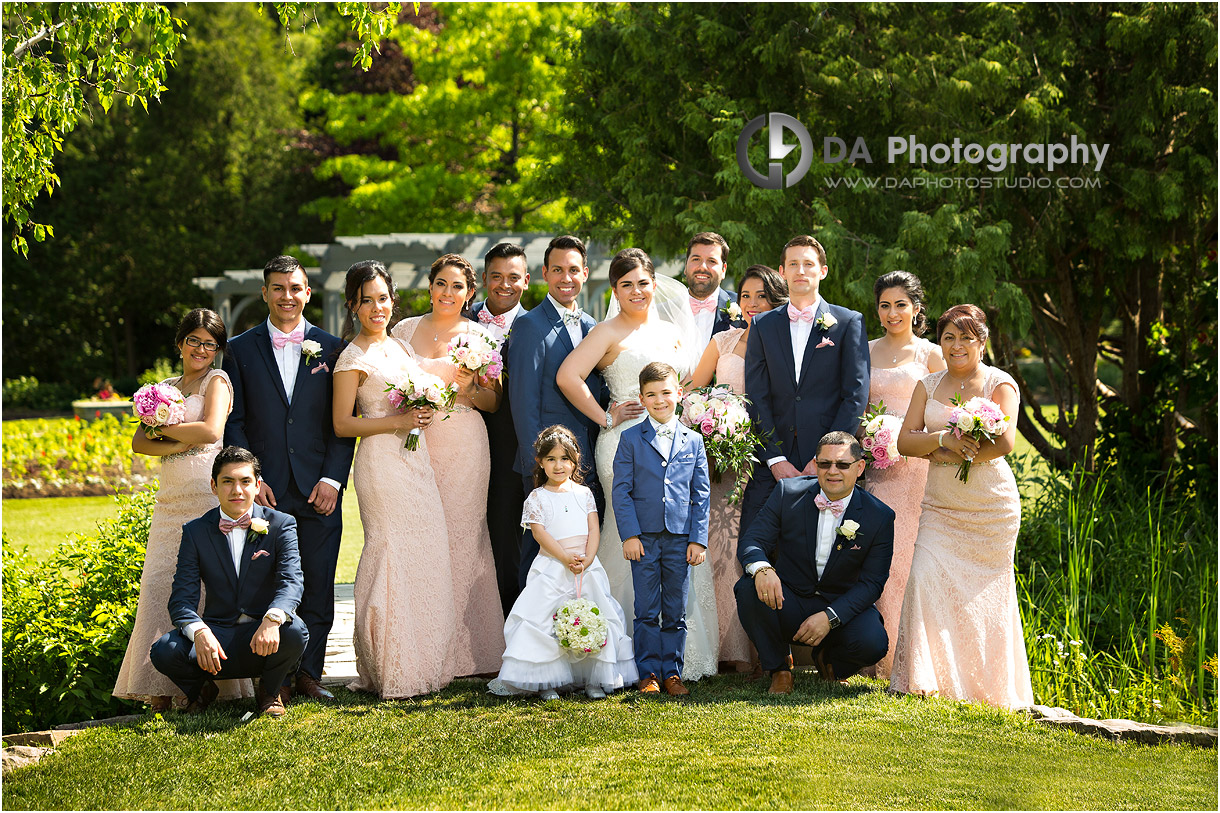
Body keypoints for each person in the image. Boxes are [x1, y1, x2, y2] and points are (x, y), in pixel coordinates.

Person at [556, 248, 720, 682]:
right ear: (614, 289)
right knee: (625, 533)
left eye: (642, 282)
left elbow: (685, 383)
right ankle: (624, 651)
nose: (636, 291)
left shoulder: (671, 330)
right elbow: (568, 375)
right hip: (624, 444)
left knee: (676, 528)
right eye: (625, 284)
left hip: (676, 446)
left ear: (654, 284)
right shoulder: (606, 332)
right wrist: (605, 416)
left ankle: (681, 656)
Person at [222, 255, 355, 702]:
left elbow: (341, 423)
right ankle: (274, 678)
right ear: (264, 293)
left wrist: (333, 481)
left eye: (295, 288)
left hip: (318, 488)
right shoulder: (240, 349)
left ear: (307, 293)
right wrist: (252, 478)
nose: (287, 296)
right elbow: (235, 421)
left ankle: (310, 675)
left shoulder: (332, 348)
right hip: (268, 491)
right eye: (278, 288)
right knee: (263, 583)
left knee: (319, 582)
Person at [890, 305, 1033, 708]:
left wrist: (952, 453)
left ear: (982, 342)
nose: (957, 346)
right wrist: (942, 441)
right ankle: (922, 679)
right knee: (924, 578)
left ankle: (984, 690)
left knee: (985, 597)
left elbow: (1004, 443)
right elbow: (905, 442)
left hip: (990, 509)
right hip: (941, 508)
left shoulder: (1000, 384)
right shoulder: (927, 385)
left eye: (966, 338)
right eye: (949, 337)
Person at [114, 309, 254, 710]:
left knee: (205, 591)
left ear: (217, 350)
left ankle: (211, 685)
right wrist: (175, 443)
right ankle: (160, 688)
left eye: (209, 344)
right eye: (193, 340)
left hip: (205, 496)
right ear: (180, 343)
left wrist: (164, 429)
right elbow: (140, 442)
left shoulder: (218, 381)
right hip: (169, 503)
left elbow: (211, 431)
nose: (201, 349)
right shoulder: (164, 388)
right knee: (157, 589)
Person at [332, 260, 460, 698]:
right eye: (366, 300)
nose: (376, 307)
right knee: (389, 551)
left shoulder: (402, 349)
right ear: (353, 305)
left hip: (415, 458)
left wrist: (421, 414)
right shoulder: (352, 358)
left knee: (423, 552)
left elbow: (414, 405)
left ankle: (423, 657)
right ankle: (386, 662)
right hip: (381, 465)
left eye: (383, 298)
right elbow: (342, 425)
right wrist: (398, 421)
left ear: (392, 301)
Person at [392, 253, 506, 676]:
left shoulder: (481, 335)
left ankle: (468, 653)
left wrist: (469, 389)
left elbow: (494, 402)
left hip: (464, 442)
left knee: (464, 538)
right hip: (417, 441)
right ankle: (424, 642)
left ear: (470, 292)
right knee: (421, 535)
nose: (448, 292)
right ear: (430, 286)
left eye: (457, 286)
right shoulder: (404, 330)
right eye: (441, 283)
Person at [148, 446, 308, 718]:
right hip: (217, 637)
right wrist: (199, 632)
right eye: (228, 481)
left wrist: (272, 619)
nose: (237, 490)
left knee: (295, 632)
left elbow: (291, 581)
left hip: (262, 634)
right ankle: (201, 690)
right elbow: (181, 599)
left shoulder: (281, 524)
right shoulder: (196, 531)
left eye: (245, 481)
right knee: (164, 650)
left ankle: (269, 693)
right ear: (213, 486)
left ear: (258, 486)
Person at [736, 431, 894, 694]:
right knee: (748, 589)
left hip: (840, 603)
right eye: (825, 464)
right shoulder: (788, 492)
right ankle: (779, 668)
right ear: (816, 464)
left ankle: (830, 661)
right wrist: (762, 568)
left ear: (860, 467)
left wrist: (830, 617)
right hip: (790, 598)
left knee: (873, 642)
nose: (833, 471)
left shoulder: (880, 517)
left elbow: (872, 583)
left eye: (842, 464)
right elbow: (753, 540)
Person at [688, 264, 788, 669]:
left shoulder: (785, 345)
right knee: (720, 547)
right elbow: (693, 391)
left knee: (761, 547)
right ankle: (719, 649)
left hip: (768, 461)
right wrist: (709, 425)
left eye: (761, 296)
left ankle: (761, 648)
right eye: (745, 296)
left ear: (776, 299)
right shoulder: (722, 342)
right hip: (722, 462)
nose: (751, 304)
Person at [491, 425, 636, 700]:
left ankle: (592, 679)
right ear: (540, 462)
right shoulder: (537, 497)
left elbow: (594, 528)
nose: (559, 465)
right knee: (546, 621)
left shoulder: (584, 494)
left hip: (586, 567)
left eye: (565, 459)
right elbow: (540, 533)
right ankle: (547, 681)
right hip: (554, 566)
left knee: (594, 617)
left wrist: (589, 558)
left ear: (575, 460)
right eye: (551, 459)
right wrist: (564, 557)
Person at [740, 235, 870, 540]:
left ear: (822, 271)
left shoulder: (848, 322)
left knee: (828, 556)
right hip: (773, 462)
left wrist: (826, 458)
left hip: (830, 467)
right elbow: (756, 394)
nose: (801, 270)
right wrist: (774, 459)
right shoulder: (763, 325)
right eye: (793, 264)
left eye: (808, 264)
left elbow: (855, 394)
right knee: (754, 549)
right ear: (782, 271)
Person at [506, 235, 609, 586]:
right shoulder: (529, 325)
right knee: (540, 555)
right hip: (546, 463)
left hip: (588, 461)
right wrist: (539, 463)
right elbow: (522, 401)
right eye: (558, 270)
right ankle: (527, 633)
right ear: (545, 274)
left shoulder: (594, 326)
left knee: (581, 547)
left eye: (574, 270)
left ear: (585, 273)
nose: (567, 277)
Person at [863, 271, 945, 678]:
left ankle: (913, 659)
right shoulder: (865, 349)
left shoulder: (930, 354)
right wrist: (870, 434)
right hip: (878, 470)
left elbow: (948, 407)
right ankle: (877, 655)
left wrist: (913, 436)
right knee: (882, 557)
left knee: (915, 557)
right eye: (884, 305)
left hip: (918, 471)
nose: (892, 313)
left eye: (900, 304)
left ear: (916, 308)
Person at [613, 362, 712, 696]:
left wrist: (698, 539)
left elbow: (701, 494)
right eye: (651, 394)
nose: (659, 400)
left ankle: (672, 672)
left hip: (680, 538)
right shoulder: (629, 439)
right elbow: (621, 491)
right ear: (641, 397)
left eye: (666, 392)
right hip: (643, 538)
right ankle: (648, 673)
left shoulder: (694, 442)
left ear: (679, 394)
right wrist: (629, 535)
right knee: (646, 609)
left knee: (675, 609)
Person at [470, 242, 531, 617]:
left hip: (511, 449)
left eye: (513, 277)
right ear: (484, 279)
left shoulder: (537, 325)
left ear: (526, 280)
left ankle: (508, 625)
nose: (504, 285)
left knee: (507, 540)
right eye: (496, 277)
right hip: (457, 444)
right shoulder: (458, 320)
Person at [683, 232, 738, 349]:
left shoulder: (743, 308)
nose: (702, 267)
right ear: (685, 266)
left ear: (723, 270)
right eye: (696, 259)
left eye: (711, 261)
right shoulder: (666, 311)